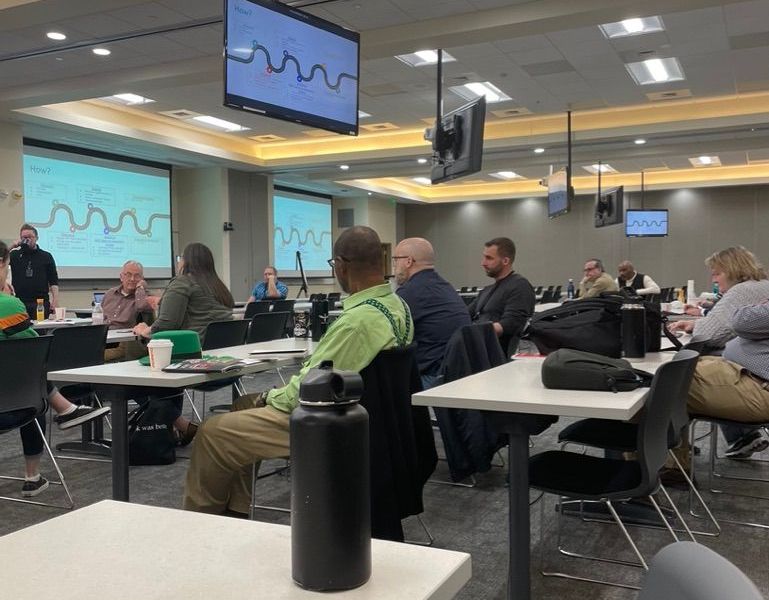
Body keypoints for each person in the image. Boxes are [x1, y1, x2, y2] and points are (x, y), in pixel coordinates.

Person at [183, 226, 413, 515]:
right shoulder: (398, 306)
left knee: (212, 431)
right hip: (368, 418)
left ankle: (199, 523)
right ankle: (238, 513)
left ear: (341, 266)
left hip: (324, 422)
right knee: (242, 405)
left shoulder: (357, 322)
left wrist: (269, 397)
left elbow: (304, 391)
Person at [0, 240, 110, 497]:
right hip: (9, 408)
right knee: (28, 385)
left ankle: (66, 409)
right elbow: (28, 357)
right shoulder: (9, 306)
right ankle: (33, 476)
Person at [133, 242, 235, 445]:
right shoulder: (219, 287)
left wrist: (143, 329)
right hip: (225, 362)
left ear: (185, 262)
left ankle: (179, 425)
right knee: (160, 370)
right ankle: (179, 426)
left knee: (136, 378)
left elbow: (165, 326)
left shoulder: (182, 283)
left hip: (194, 361)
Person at [687, 301, 769, 459]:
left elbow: (741, 321)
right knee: (676, 368)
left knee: (669, 383)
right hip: (748, 375)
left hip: (759, 385)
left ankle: (663, 465)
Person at [393, 237, 471, 389]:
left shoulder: (410, 292)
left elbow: (389, 335)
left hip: (432, 378)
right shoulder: (445, 286)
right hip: (456, 373)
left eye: (395, 260)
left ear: (408, 261)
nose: (394, 266)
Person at [668, 246, 769, 349]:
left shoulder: (742, 291)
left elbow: (708, 336)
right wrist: (695, 325)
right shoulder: (764, 285)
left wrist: (698, 327)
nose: (714, 281)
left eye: (717, 274)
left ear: (733, 271)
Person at [466, 237, 535, 356]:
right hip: (474, 347)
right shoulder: (487, 291)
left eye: (489, 258)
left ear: (505, 261)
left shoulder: (519, 286)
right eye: (484, 257)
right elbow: (465, 314)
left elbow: (511, 324)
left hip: (492, 355)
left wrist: (472, 332)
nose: (483, 263)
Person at [102, 260, 160, 362]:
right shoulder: (110, 294)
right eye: (128, 275)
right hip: (105, 337)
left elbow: (141, 306)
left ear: (142, 279)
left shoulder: (147, 297)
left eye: (137, 276)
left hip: (127, 342)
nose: (132, 279)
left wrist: (140, 288)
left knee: (90, 354)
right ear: (121, 277)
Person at [9, 224, 59, 320]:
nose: (27, 239)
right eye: (24, 237)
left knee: (40, 331)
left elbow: (53, 281)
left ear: (36, 238)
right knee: (22, 332)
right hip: (20, 302)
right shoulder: (15, 255)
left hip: (40, 302)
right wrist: (12, 246)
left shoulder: (46, 256)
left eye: (30, 237)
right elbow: (1, 259)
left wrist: (55, 301)